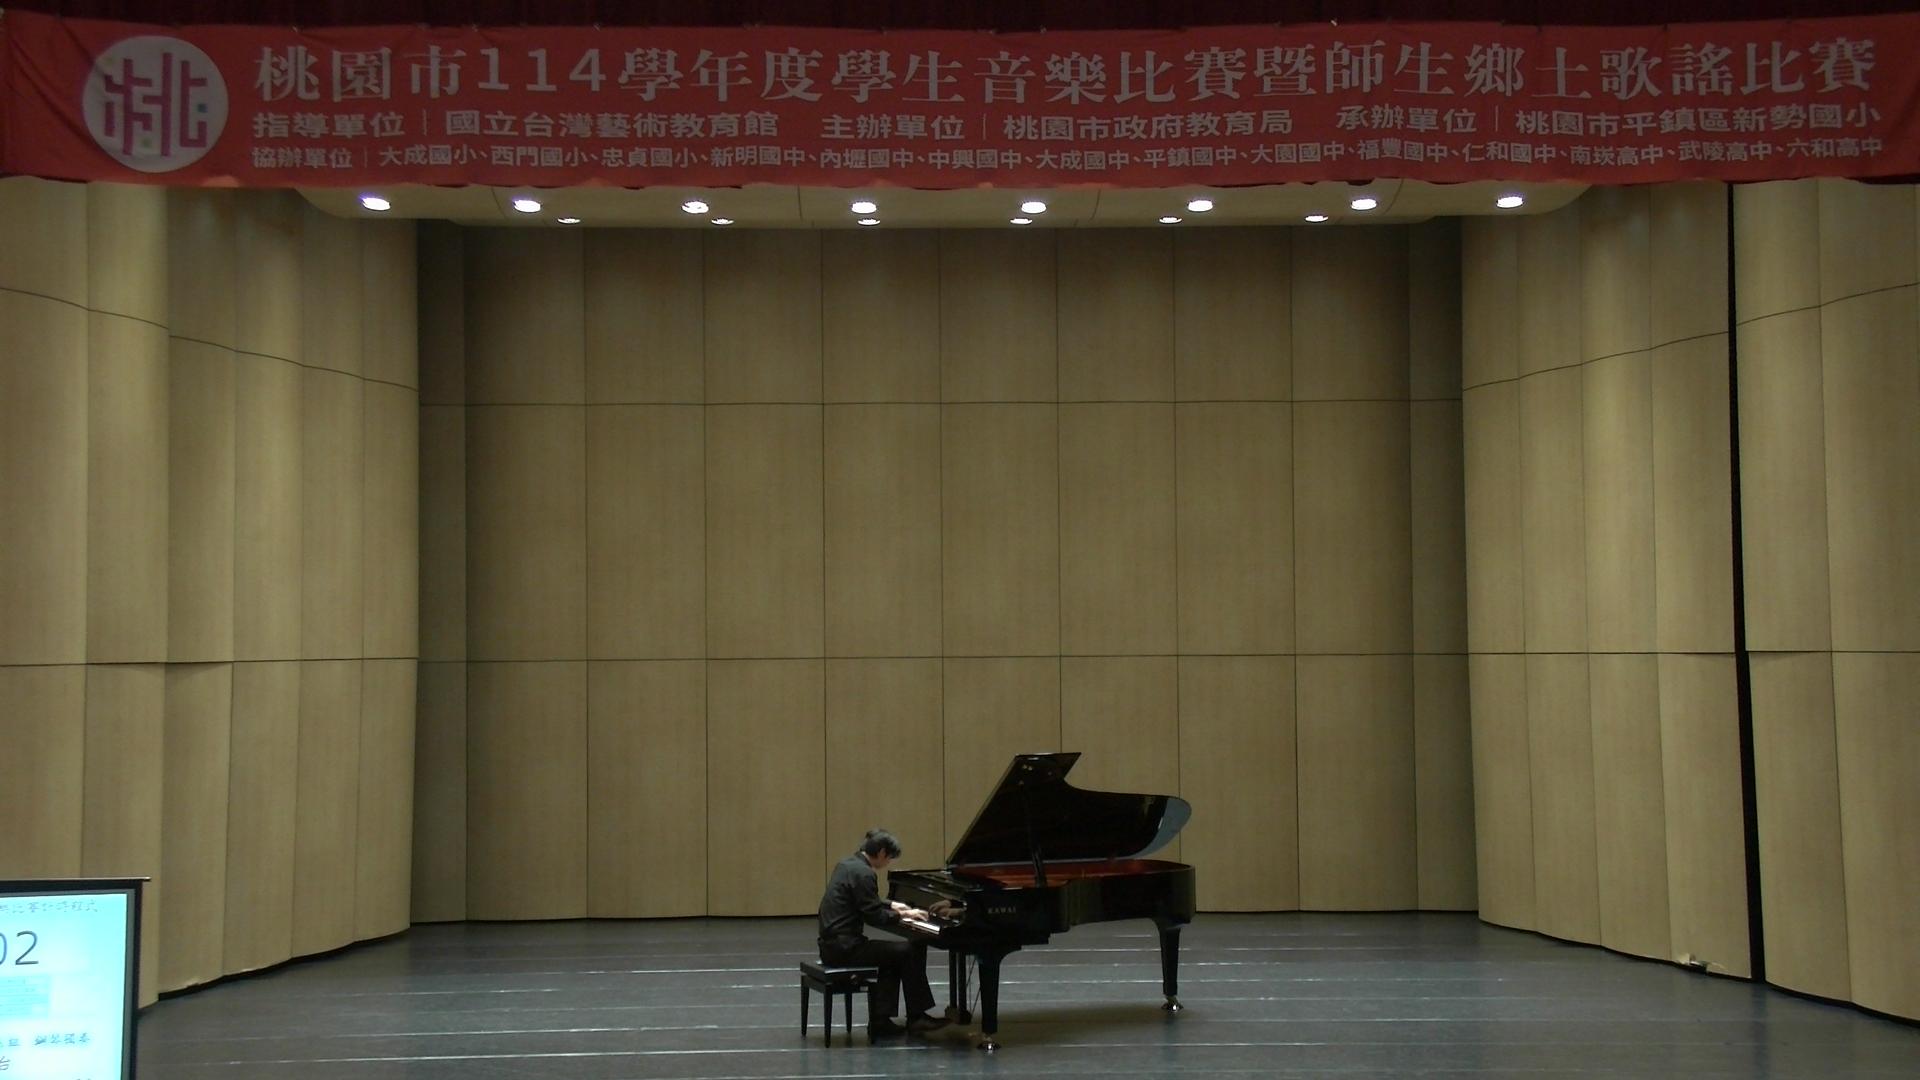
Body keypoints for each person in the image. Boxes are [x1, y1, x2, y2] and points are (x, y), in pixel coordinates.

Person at [817, 828, 950, 1039]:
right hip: (846, 948)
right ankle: (917, 1017)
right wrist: (903, 916)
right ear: (881, 852)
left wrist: (894, 905)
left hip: (831, 945)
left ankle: (881, 1021)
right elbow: (874, 916)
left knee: (893, 956)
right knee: (910, 950)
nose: (888, 862)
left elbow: (864, 900)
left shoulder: (847, 865)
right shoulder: (865, 873)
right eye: (889, 857)